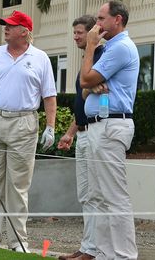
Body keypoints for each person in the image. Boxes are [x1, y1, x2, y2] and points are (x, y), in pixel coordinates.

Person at [0, 10, 57, 253]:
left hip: (24, 124)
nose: (5, 29)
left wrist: (51, 127)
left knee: (18, 185)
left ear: (24, 31)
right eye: (5, 25)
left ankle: (18, 241)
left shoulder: (40, 58)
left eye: (11, 26)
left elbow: (49, 96)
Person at [80, 0, 139, 260]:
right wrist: (91, 85)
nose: (97, 24)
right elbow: (85, 87)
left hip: (112, 125)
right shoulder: (109, 48)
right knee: (99, 195)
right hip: (99, 125)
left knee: (114, 196)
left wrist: (91, 46)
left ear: (118, 20)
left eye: (102, 19)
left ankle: (124, 255)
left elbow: (86, 77)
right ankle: (104, 254)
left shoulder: (120, 47)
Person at [57, 15, 104, 260]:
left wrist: (88, 87)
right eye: (74, 33)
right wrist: (70, 133)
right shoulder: (88, 58)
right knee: (85, 194)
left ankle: (94, 250)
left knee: (96, 194)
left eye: (79, 32)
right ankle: (87, 247)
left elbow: (93, 87)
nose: (75, 37)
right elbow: (83, 99)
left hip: (98, 133)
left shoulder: (101, 56)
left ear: (92, 33)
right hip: (83, 133)